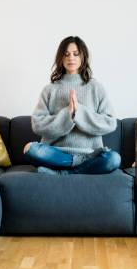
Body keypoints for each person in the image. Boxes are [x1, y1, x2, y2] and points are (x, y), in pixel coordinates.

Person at [23, 36, 121, 175]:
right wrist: (67, 114)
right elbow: (37, 124)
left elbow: (110, 123)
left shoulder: (96, 87)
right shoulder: (50, 89)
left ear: (83, 57)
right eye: (66, 54)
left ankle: (65, 173)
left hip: (89, 155)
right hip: (57, 155)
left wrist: (79, 113)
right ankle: (74, 166)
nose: (71, 58)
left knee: (114, 159)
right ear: (61, 58)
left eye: (76, 54)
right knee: (30, 149)